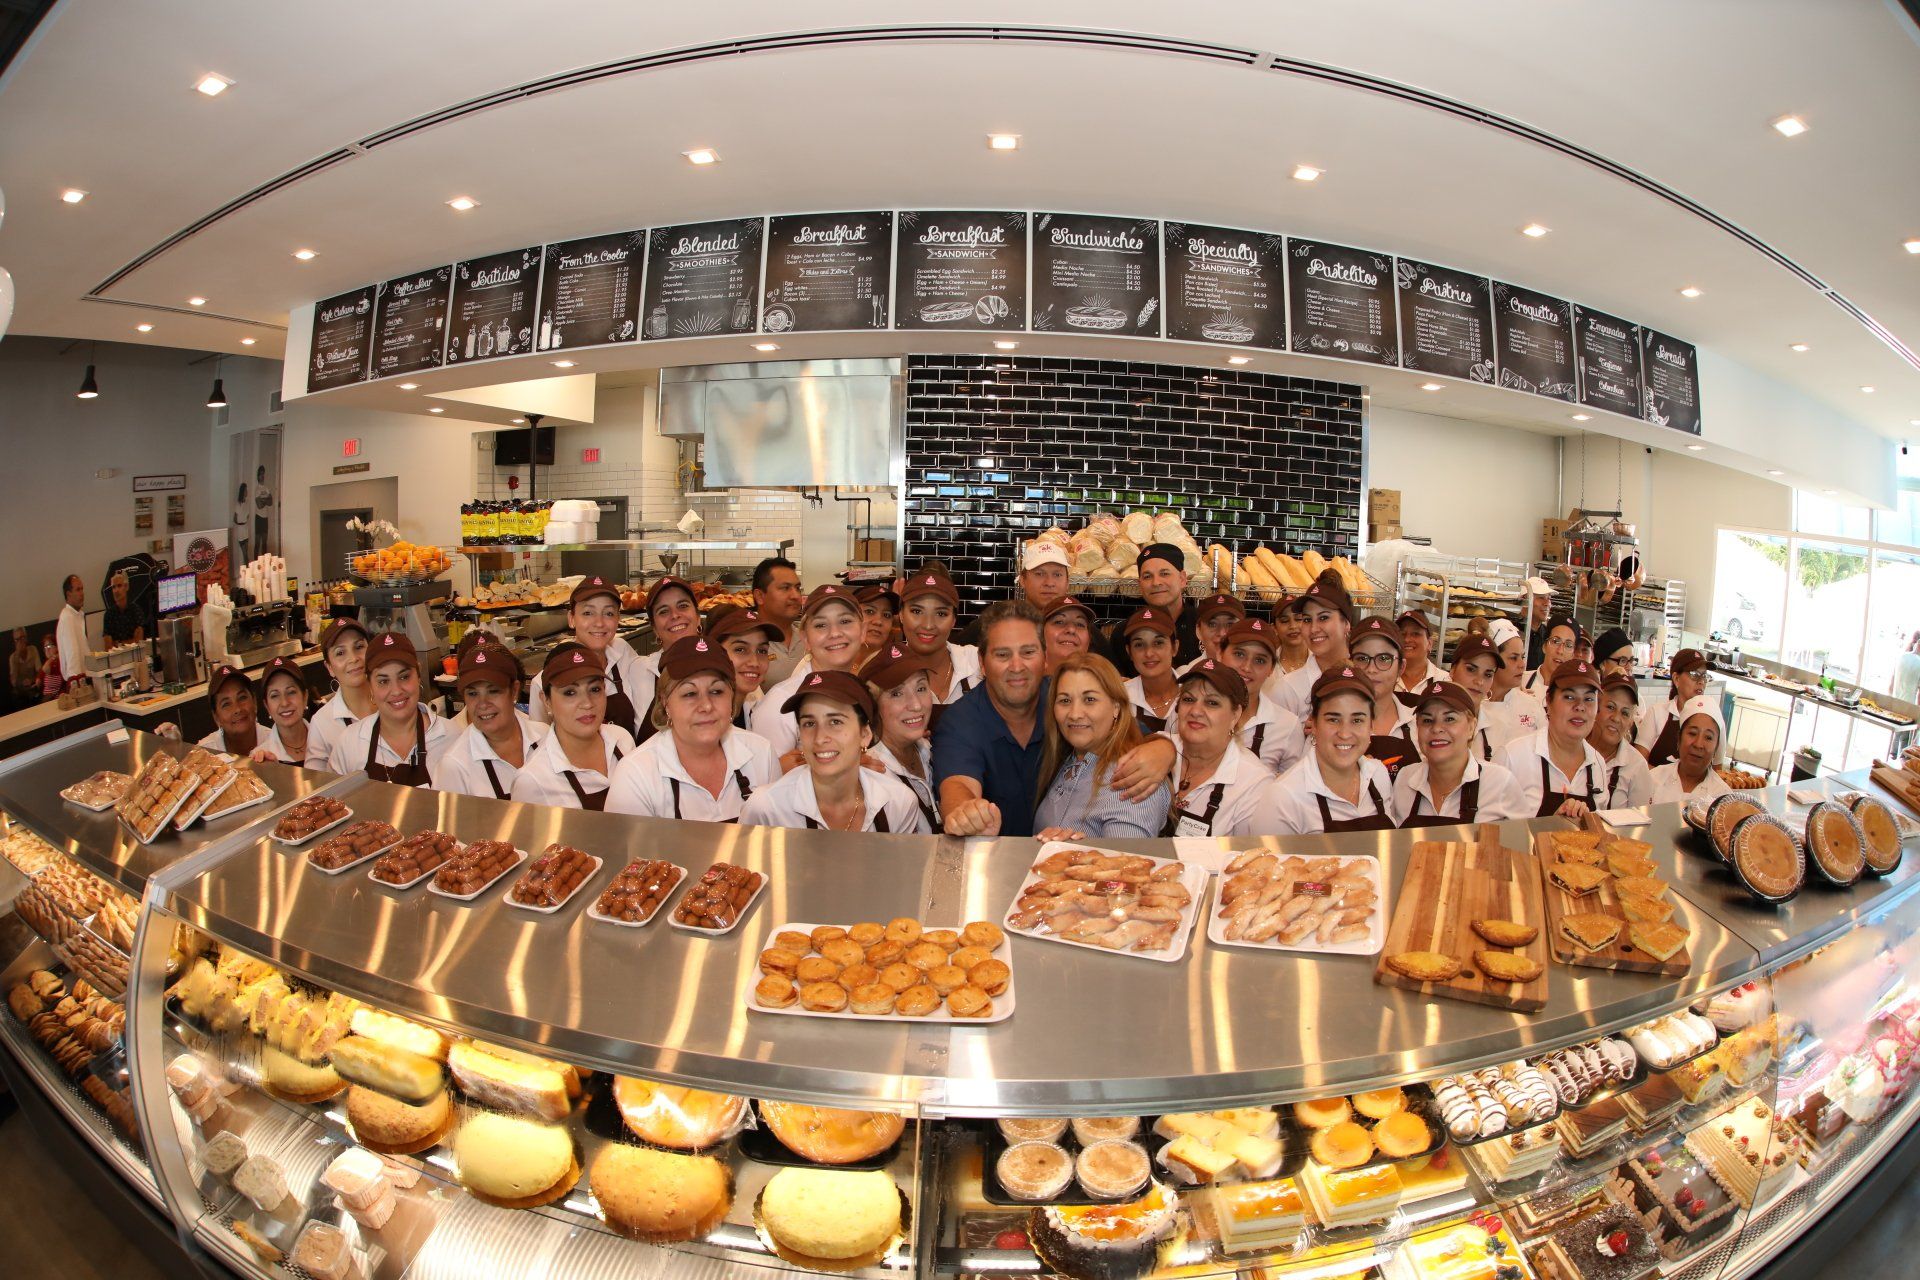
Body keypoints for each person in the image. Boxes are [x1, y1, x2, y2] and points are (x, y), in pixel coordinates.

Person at [934, 599, 1176, 837]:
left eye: (1028, 652)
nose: (1017, 666)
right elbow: (958, 786)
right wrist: (966, 813)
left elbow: (1129, 731)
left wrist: (1164, 750)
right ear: (982, 664)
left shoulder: (1063, 696)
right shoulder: (961, 721)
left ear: (1045, 658)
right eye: (1002, 655)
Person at [605, 636, 780, 822]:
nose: (706, 706)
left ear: (731, 697)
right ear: (665, 703)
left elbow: (779, 842)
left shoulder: (761, 754)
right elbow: (625, 851)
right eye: (689, 694)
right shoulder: (636, 774)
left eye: (716, 691)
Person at [741, 670, 926, 832]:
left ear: (865, 734)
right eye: (809, 724)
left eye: (836, 722)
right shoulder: (766, 808)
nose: (820, 737)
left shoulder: (898, 802)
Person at [1032, 653, 1172, 840]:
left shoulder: (1132, 778)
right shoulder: (1068, 759)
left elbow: (1125, 864)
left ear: (1116, 706)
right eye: (1065, 700)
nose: (1074, 714)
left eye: (1089, 699)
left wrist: (1072, 854)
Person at [1270, 666, 1396, 834]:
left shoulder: (1378, 774)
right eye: (1333, 719)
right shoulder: (1283, 797)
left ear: (1371, 725)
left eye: (1357, 720)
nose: (1344, 733)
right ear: (1313, 724)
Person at [1163, 659, 1278, 839]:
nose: (1196, 711)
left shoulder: (1254, 784)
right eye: (1188, 699)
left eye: (1212, 703)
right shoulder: (1158, 747)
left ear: (1235, 714)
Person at [511, 645, 636, 810]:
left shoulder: (622, 741)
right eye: (570, 692)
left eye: (595, 689)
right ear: (546, 700)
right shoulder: (532, 781)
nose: (587, 703)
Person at [753, 584, 868, 762]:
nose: (835, 633)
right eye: (821, 625)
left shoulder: (865, 692)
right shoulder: (780, 704)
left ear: (863, 631)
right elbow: (764, 780)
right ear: (805, 639)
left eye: (845, 621)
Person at [527, 577, 651, 739]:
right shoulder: (544, 681)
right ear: (571, 619)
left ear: (618, 619)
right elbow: (540, 742)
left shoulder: (623, 653)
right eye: (588, 613)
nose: (599, 623)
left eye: (608, 613)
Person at [1392, 681, 1529, 826]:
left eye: (1450, 719)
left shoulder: (1499, 783)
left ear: (1471, 727)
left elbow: (1522, 844)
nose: (1437, 728)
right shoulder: (1405, 779)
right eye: (1427, 720)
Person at [329, 633, 456, 786]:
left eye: (404, 677)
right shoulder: (349, 744)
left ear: (418, 674)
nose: (396, 691)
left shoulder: (452, 736)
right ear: (370, 685)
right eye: (383, 681)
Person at [1500, 659, 1608, 820]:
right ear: (1549, 701)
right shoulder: (1513, 757)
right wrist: (1550, 824)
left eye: (1589, 699)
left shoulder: (1597, 764)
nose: (1580, 706)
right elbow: (1489, 831)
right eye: (1569, 697)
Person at [436, 643, 542, 799]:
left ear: (514, 691)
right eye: (473, 694)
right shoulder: (454, 766)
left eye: (493, 691)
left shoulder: (544, 737)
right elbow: (450, 823)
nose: (483, 703)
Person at [858, 642, 940, 830]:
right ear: (871, 706)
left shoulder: (930, 751)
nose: (917, 705)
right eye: (896, 693)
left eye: (921, 688)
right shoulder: (871, 777)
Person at [1219, 617, 1305, 774]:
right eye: (1239, 654)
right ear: (1220, 654)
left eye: (1259, 660)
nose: (1246, 667)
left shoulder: (1287, 726)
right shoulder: (1195, 710)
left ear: (1271, 669)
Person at [628, 576, 707, 744]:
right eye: (663, 611)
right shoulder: (638, 671)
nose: (675, 615)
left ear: (698, 617)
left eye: (683, 606)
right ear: (655, 629)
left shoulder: (723, 665)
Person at [1271, 570, 1355, 721]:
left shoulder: (1369, 676)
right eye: (1307, 620)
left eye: (1323, 618)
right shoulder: (1287, 690)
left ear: (1346, 623)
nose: (1314, 629)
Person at [957, 539, 1074, 647]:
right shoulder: (996, 622)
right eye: (1039, 574)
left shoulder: (1079, 627)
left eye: (1057, 575)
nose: (1049, 583)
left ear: (1067, 582)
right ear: (1022, 580)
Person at [1110, 544, 1202, 672]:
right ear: (1140, 584)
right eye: (1147, 576)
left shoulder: (1203, 625)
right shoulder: (1123, 633)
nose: (1156, 582)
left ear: (1182, 579)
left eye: (1164, 574)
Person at [896, 568, 981, 705]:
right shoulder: (887, 672)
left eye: (941, 614)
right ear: (901, 615)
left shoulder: (976, 661)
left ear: (953, 620)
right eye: (917, 611)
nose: (928, 625)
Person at [1349, 617, 1419, 778]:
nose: (1372, 669)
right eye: (1362, 658)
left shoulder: (1419, 724)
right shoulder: (1334, 728)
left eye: (1384, 659)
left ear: (1401, 667)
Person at [306, 619, 378, 771]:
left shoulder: (392, 701)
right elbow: (315, 785)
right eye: (340, 653)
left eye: (359, 647)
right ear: (329, 667)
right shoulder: (322, 723)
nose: (353, 658)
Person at [1647, 696, 1733, 805]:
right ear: (1679, 739)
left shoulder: (1722, 797)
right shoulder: (1653, 779)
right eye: (1692, 733)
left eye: (1708, 737)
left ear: (1716, 748)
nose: (1698, 744)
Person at [1479, 620, 1546, 756]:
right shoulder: (1474, 705)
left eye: (1522, 657)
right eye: (1513, 658)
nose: (1522, 665)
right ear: (1493, 661)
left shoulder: (1531, 706)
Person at [708, 607, 782, 729]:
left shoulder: (753, 707)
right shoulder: (702, 718)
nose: (755, 662)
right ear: (714, 651)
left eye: (761, 651)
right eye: (740, 649)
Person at [1592, 674, 1655, 809]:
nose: (1616, 718)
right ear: (1595, 706)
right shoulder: (1574, 749)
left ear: (1631, 722)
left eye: (1625, 713)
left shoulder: (1637, 766)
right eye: (1610, 707)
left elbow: (1640, 822)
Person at [1638, 649, 1709, 767]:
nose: (1701, 681)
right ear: (1676, 678)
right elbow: (1638, 762)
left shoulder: (1710, 719)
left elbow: (1716, 771)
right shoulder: (1657, 712)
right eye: (1694, 675)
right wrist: (1670, 781)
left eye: (1704, 676)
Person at [1120, 607, 1181, 734]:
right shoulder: (1119, 697)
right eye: (1139, 645)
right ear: (1129, 652)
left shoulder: (1194, 694)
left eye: (1158, 643)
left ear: (1175, 647)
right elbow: (1097, 750)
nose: (1149, 653)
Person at [1446, 635, 1504, 762]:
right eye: (1471, 669)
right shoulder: (1425, 722)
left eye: (1488, 674)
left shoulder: (1500, 729)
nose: (1479, 681)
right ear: (1453, 669)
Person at [753, 557, 808, 684]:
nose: (795, 596)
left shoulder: (808, 638)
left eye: (797, 588)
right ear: (760, 596)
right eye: (785, 588)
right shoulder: (747, 644)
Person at [250, 656, 312, 765]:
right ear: (267, 706)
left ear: (305, 697)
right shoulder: (260, 758)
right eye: (274, 695)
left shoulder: (328, 737)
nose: (284, 702)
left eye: (291, 692)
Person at [198, 665, 265, 755]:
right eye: (226, 704)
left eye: (242, 698)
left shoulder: (276, 743)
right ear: (216, 717)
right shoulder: (206, 752)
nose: (237, 709)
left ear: (254, 702)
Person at [1182, 593, 1246, 672]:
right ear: (1198, 631)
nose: (1222, 633)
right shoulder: (1186, 675)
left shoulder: (1254, 677)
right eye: (1213, 624)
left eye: (1230, 624)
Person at [1521, 614, 1579, 697]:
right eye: (1555, 641)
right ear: (1544, 646)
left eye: (1568, 645)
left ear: (1573, 654)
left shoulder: (1574, 694)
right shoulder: (1521, 681)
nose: (1560, 651)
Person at [1394, 611, 1446, 698]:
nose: (1407, 639)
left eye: (1415, 634)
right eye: (1402, 634)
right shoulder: (1384, 677)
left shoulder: (1444, 681)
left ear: (1429, 644)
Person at [1041, 595, 1097, 674]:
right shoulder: (1024, 683)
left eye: (1080, 624)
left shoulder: (1103, 684)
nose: (1071, 629)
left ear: (1089, 640)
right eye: (1059, 622)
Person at [55, 573, 87, 691]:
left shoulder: (76, 615)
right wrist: (78, 683)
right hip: (78, 682)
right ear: (68, 594)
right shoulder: (67, 618)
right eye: (78, 590)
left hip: (83, 677)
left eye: (82, 589)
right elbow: (72, 654)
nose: (82, 593)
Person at [855, 585, 900, 665]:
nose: (878, 622)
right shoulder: (830, 661)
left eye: (886, 615)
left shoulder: (895, 668)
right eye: (869, 611)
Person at [101, 571, 145, 645]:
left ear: (126, 587)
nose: (116, 591)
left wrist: (117, 643)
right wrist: (131, 641)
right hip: (116, 656)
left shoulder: (136, 610)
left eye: (119, 586)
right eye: (113, 587)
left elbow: (139, 641)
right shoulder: (109, 615)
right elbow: (108, 647)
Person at [1521, 576, 1554, 668]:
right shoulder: (1511, 630)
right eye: (1541, 598)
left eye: (1549, 598)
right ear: (1525, 599)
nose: (1547, 603)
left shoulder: (1548, 635)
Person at [1275, 596, 1311, 675]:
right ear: (1274, 629)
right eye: (1284, 620)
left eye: (1298, 619)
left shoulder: (1322, 661)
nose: (1293, 626)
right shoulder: (1267, 664)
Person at [10, 628, 42, 707]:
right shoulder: (13, 657)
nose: (20, 641)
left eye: (22, 638)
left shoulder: (33, 650)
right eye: (17, 640)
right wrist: (18, 654)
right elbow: (13, 682)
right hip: (21, 691)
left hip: (34, 685)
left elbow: (40, 671)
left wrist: (32, 680)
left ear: (26, 638)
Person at [38, 635, 63, 702]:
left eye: (49, 646)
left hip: (57, 698)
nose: (47, 649)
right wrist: (39, 678)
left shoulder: (57, 662)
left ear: (57, 647)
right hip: (47, 697)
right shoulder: (48, 662)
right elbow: (42, 671)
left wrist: (53, 657)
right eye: (45, 647)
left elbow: (46, 669)